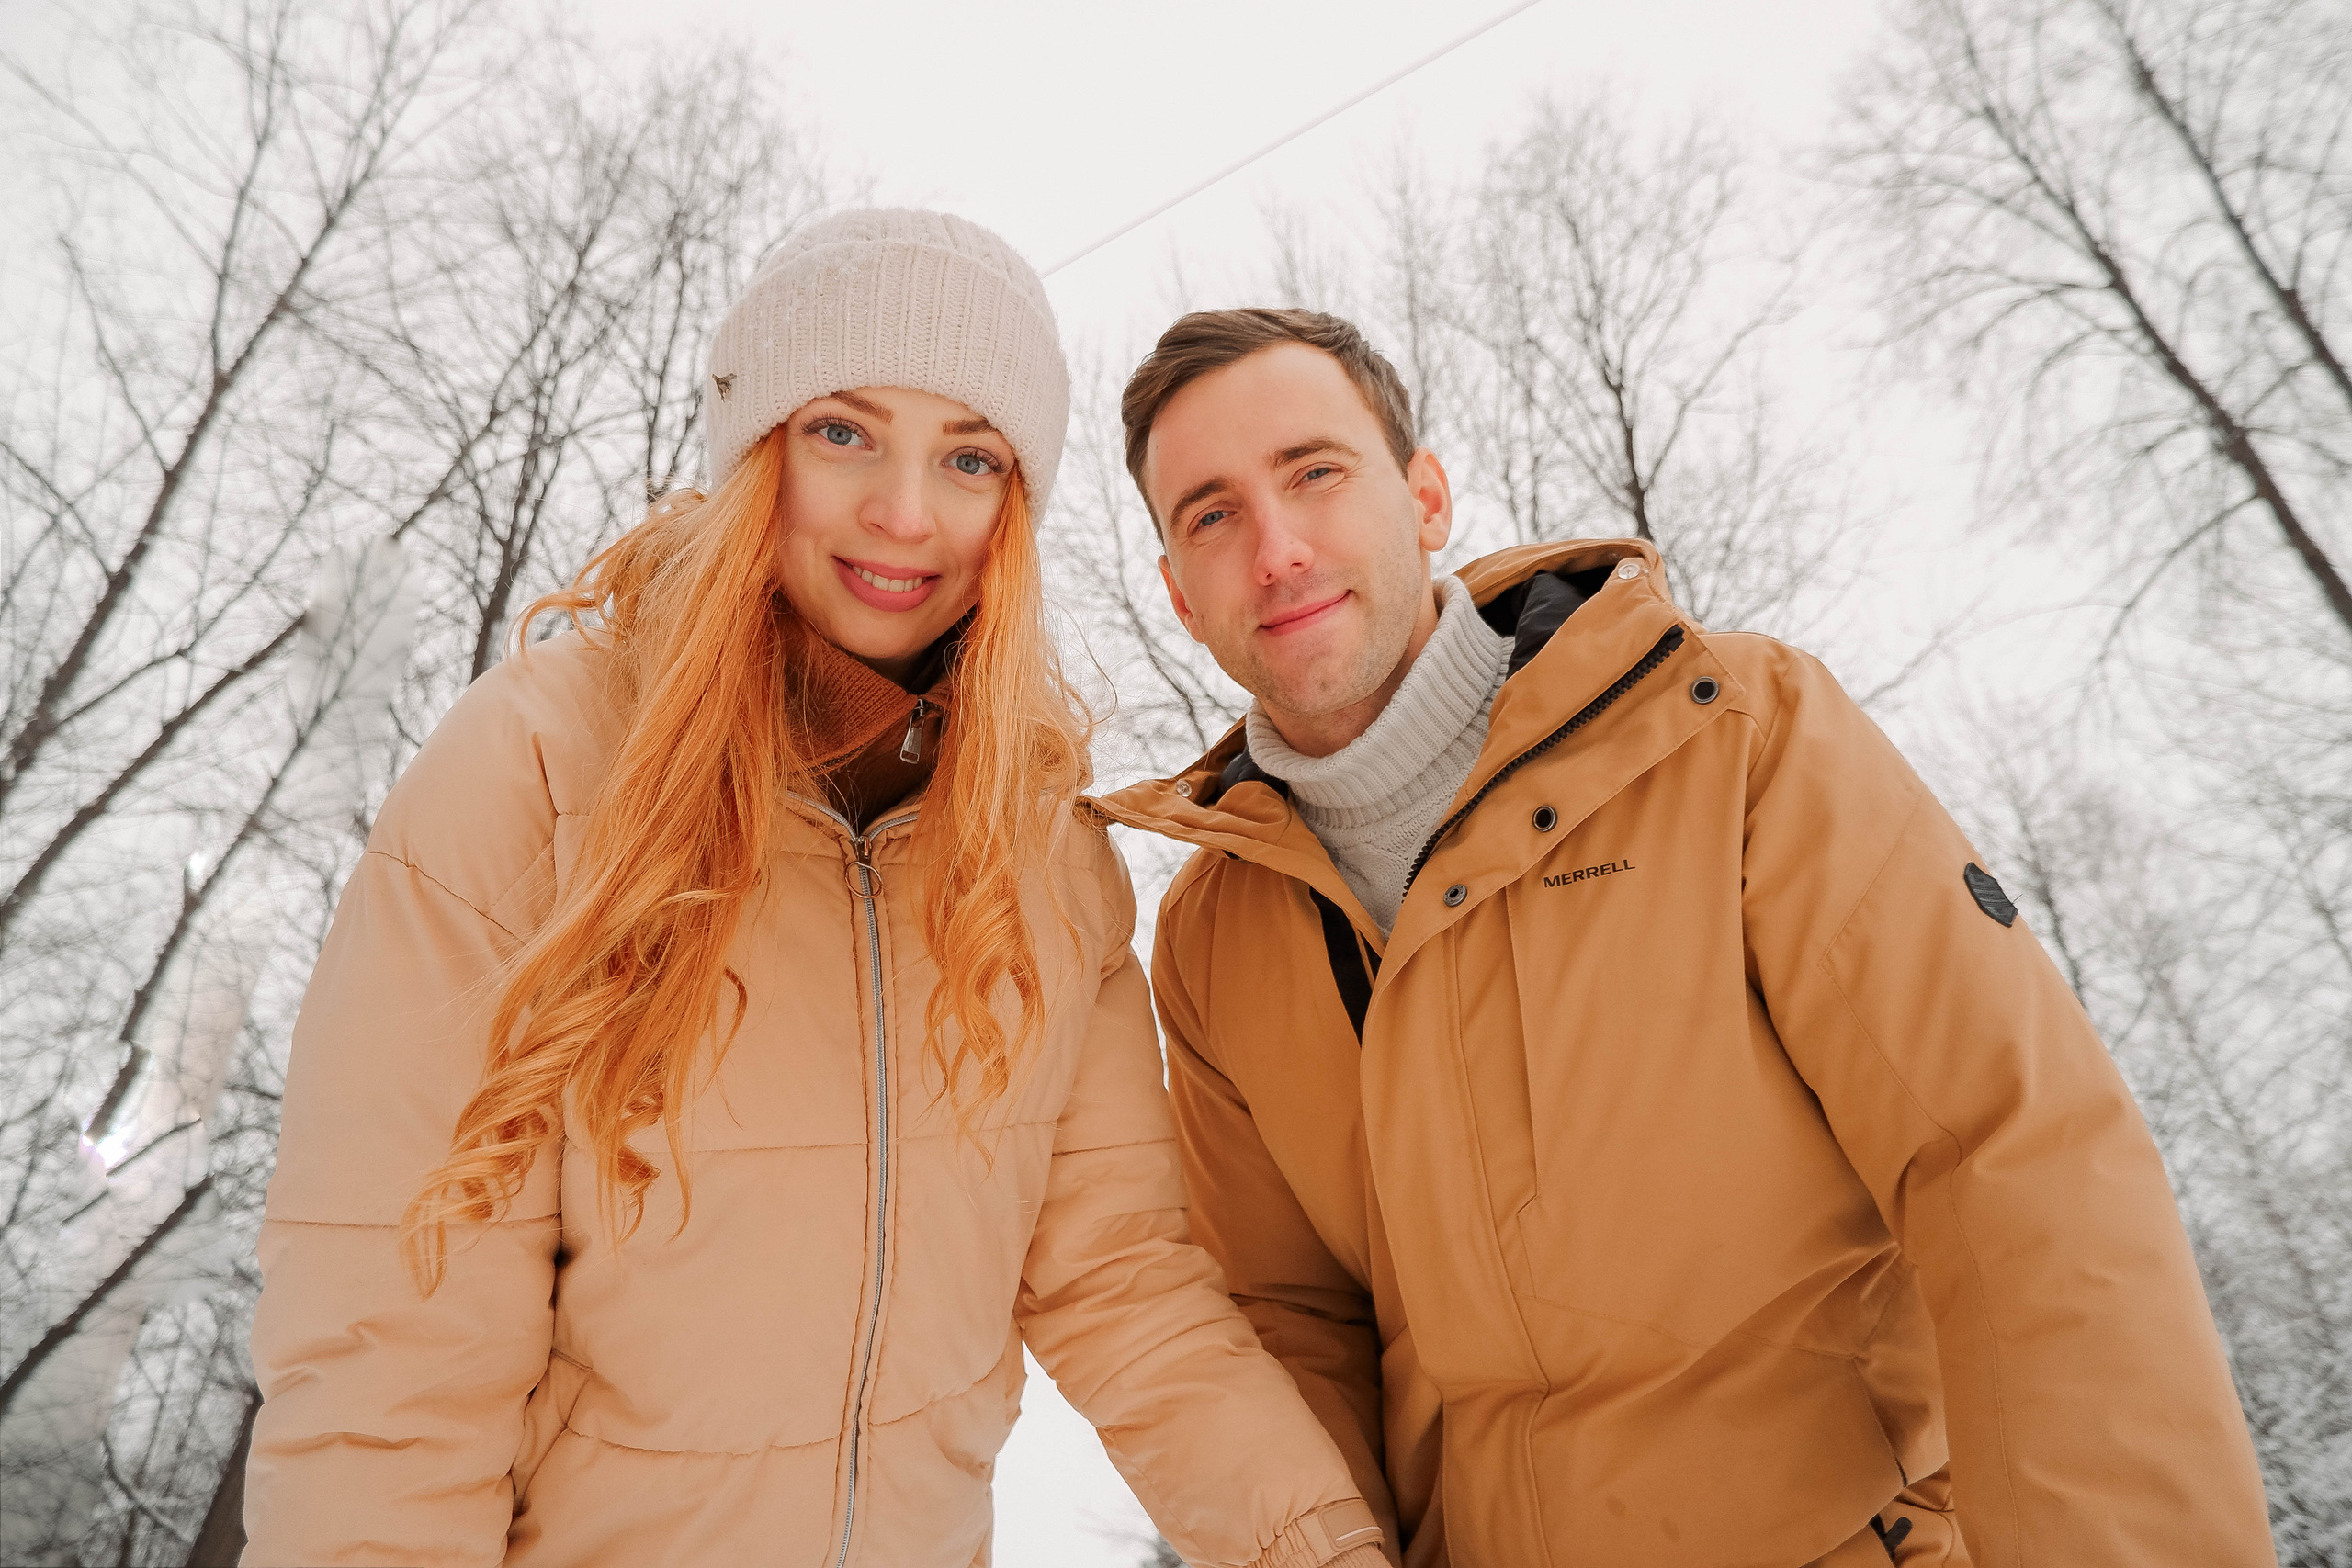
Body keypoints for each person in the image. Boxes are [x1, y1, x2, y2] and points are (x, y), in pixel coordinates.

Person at [242, 217, 1389, 1568]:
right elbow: (393, 1359)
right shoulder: (542, 771)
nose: (906, 512)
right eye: (845, 432)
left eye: (969, 457)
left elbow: (1123, 1287)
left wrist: (1324, 1549)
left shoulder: (1039, 851)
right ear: (759, 448)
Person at [1087, 307, 2278, 1568]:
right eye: (1211, 516)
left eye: (1315, 473)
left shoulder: (1733, 733)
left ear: (1425, 498)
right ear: (1178, 596)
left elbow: (2010, 1159)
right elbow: (1290, 1330)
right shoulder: (1213, 936)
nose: (1276, 549)